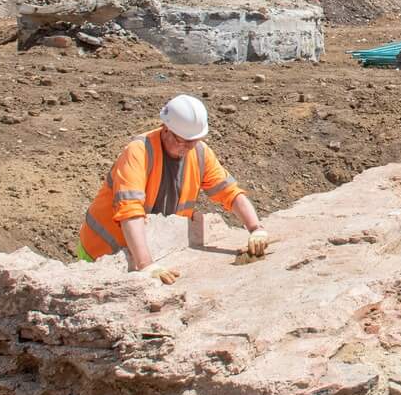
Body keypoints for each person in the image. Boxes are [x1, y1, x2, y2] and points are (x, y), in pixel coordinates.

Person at [77, 94, 272, 282]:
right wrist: (146, 265)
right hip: (101, 253)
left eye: (194, 141)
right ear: (166, 129)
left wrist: (256, 228)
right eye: (183, 141)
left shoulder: (199, 152)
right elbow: (130, 211)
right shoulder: (139, 152)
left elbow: (229, 192)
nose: (189, 147)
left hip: (148, 252)